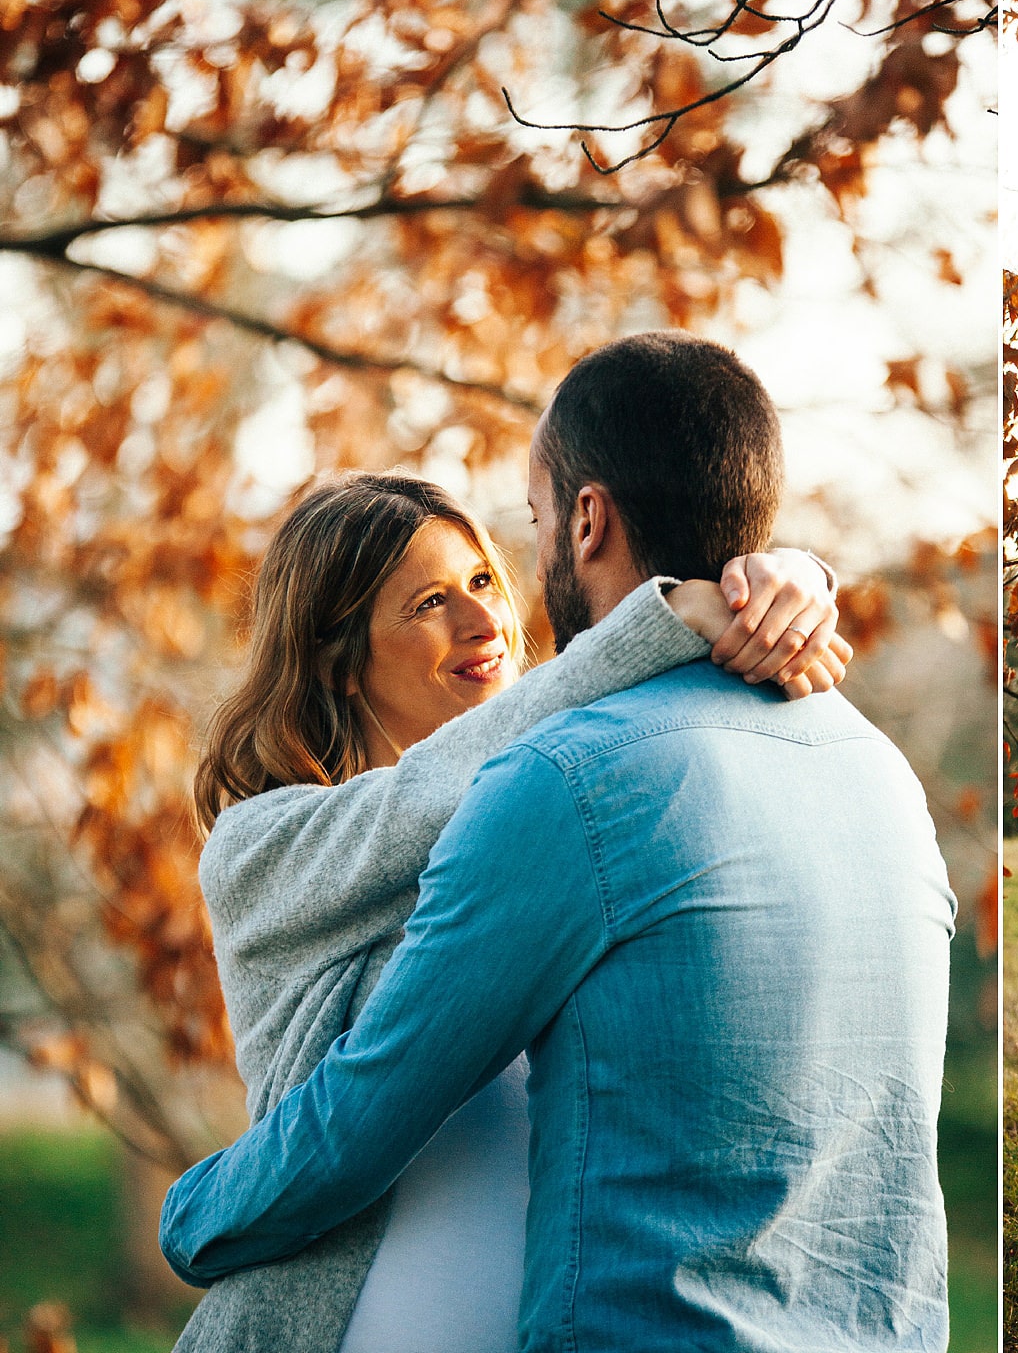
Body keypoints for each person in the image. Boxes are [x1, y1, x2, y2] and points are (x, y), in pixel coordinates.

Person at [161, 332, 956, 1351]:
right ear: (340, 659)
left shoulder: (571, 791)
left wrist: (777, 582)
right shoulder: (270, 844)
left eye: (488, 579)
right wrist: (675, 607)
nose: (483, 620)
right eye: (427, 601)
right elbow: (428, 797)